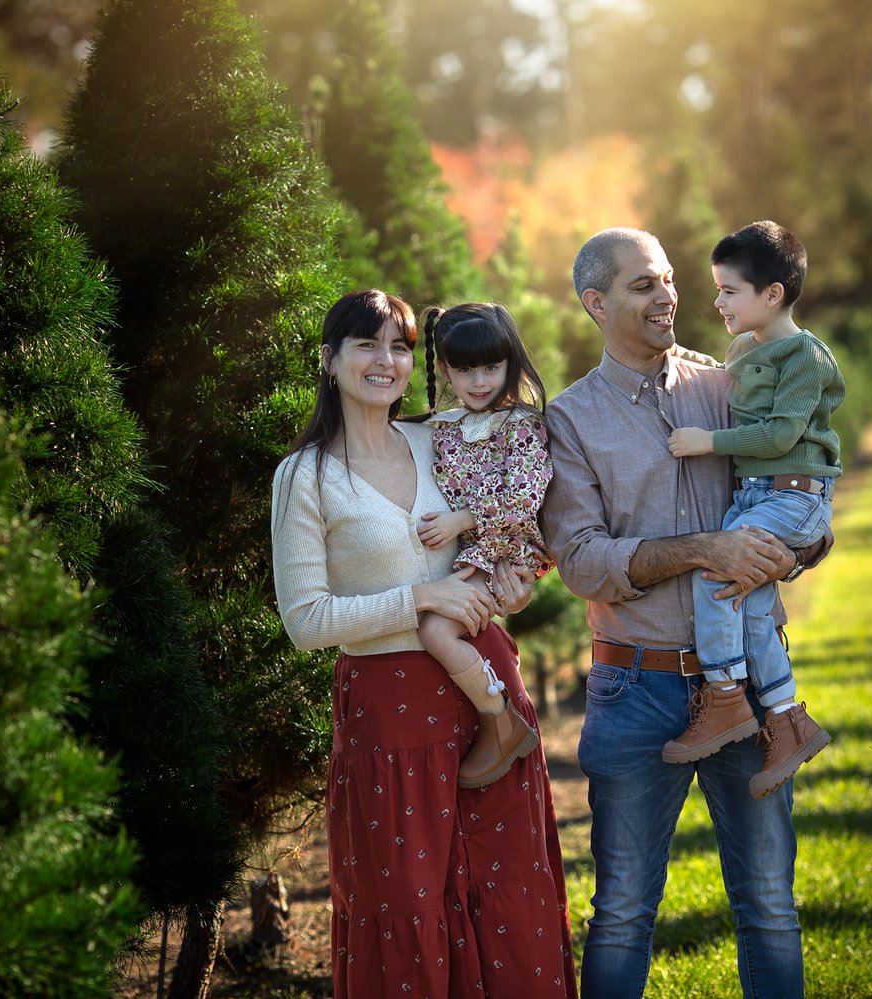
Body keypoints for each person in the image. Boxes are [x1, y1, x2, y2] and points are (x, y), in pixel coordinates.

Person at [539, 228, 829, 998]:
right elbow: (582, 561)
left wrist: (795, 552)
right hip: (637, 688)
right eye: (643, 284)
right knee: (623, 910)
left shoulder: (731, 384)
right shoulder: (569, 421)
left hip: (750, 689)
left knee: (769, 905)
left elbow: (806, 493)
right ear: (596, 303)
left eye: (668, 279)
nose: (667, 295)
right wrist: (706, 548)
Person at [271, 290, 576, 999]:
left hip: (487, 695)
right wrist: (421, 598)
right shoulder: (305, 475)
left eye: (401, 346)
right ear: (329, 358)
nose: (386, 361)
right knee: (407, 909)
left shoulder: (438, 437)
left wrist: (517, 585)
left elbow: (515, 517)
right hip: (391, 721)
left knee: (507, 901)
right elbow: (306, 620)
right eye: (367, 344)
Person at [662, 220, 844, 797]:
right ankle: (789, 720)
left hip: (794, 494)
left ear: (773, 294)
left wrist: (705, 442)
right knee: (753, 603)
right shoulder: (744, 346)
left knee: (719, 570)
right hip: (757, 496)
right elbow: (720, 375)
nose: (717, 302)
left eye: (729, 291)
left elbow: (779, 435)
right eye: (716, 289)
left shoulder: (805, 357)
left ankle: (724, 698)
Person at [415, 302, 557, 789]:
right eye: (465, 369)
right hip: (474, 549)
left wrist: (462, 519)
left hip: (503, 550)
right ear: (444, 370)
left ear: (510, 364)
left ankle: (500, 721)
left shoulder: (522, 425)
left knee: (435, 631)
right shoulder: (444, 427)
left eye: (491, 367)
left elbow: (523, 498)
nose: (479, 381)